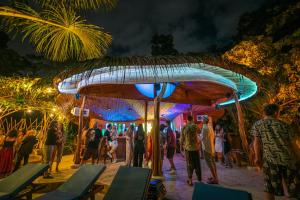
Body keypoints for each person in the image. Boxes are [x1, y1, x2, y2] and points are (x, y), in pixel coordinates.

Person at [251, 104, 299, 200]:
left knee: (269, 188)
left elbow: (256, 143)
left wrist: (257, 157)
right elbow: (294, 145)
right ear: (276, 112)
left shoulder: (258, 124)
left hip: (270, 161)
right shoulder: (285, 125)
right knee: (294, 189)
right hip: (288, 160)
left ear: (264, 112)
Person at [181, 115, 202, 186]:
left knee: (189, 164)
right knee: (197, 164)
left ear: (187, 120)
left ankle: (190, 180)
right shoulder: (195, 126)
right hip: (196, 148)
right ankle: (199, 180)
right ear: (192, 119)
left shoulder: (184, 127)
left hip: (188, 149)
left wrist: (182, 147)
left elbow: (182, 139)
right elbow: (199, 131)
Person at [201, 116, 218, 184]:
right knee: (213, 163)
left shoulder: (204, 128)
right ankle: (215, 177)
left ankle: (215, 179)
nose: (202, 120)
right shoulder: (210, 127)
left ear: (205, 120)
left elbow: (202, 138)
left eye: (202, 119)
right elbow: (213, 136)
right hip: (212, 147)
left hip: (206, 148)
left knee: (210, 164)